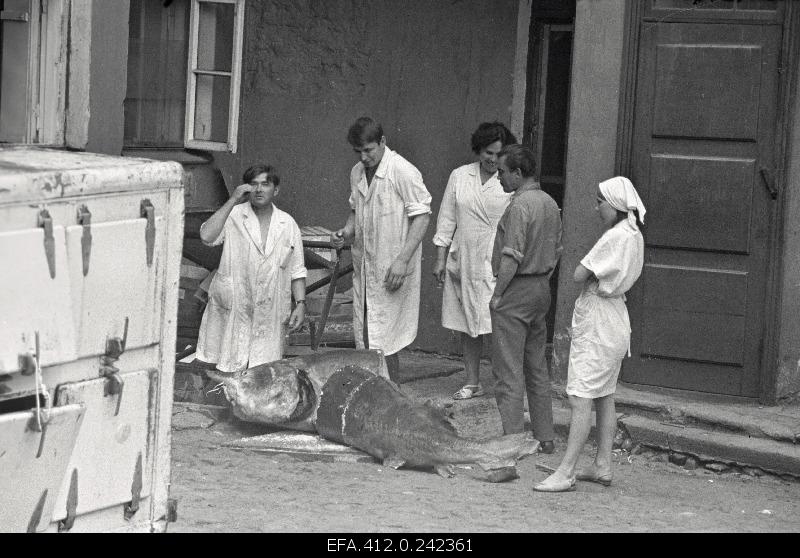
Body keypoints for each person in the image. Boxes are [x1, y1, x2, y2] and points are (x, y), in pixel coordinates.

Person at [534, 176, 645, 492]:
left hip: (599, 319)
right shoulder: (634, 234)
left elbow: (578, 273)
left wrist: (593, 275)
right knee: (604, 394)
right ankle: (602, 464)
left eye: (600, 202)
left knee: (580, 396)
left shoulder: (615, 236)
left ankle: (566, 470)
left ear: (614, 204)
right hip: (615, 317)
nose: (597, 208)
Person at [331, 117, 432, 382]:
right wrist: (346, 232)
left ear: (383, 142)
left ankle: (390, 391)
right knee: (366, 333)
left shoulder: (402, 170)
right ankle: (372, 390)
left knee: (386, 337)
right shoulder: (357, 172)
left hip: (392, 266)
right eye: (358, 152)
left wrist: (402, 261)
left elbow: (422, 217)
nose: (364, 157)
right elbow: (356, 210)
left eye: (369, 150)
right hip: (366, 266)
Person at [432, 122, 518, 400]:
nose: (492, 159)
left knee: (497, 323)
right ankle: (472, 382)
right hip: (464, 256)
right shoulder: (460, 175)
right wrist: (440, 258)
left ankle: (506, 384)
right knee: (468, 322)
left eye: (498, 154)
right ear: (478, 150)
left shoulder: (509, 180)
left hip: (494, 256)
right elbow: (447, 219)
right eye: (487, 152)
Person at [196, 164, 307, 372]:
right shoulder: (233, 215)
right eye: (253, 184)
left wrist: (300, 303)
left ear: (276, 190)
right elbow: (207, 236)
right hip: (236, 305)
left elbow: (297, 269)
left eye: (265, 184)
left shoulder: (287, 223)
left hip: (270, 310)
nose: (259, 189)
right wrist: (233, 200)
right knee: (229, 368)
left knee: (263, 371)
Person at [490, 144, 562, 453]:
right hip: (540, 288)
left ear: (518, 174)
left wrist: (498, 294)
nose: (499, 178)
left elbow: (511, 256)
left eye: (502, 172)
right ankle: (545, 436)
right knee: (536, 365)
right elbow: (557, 252)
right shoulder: (550, 203)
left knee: (508, 370)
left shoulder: (520, 205)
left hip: (516, 289)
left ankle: (513, 441)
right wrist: (540, 278)